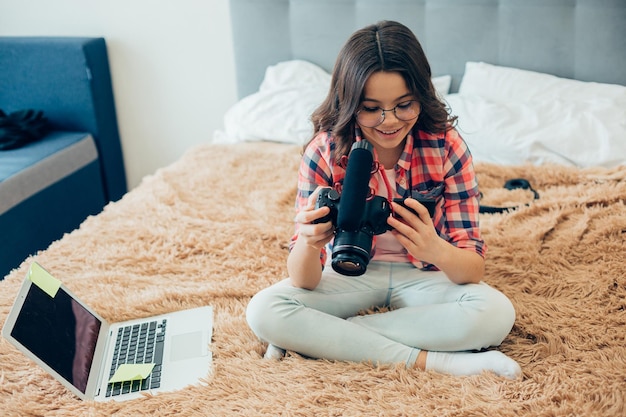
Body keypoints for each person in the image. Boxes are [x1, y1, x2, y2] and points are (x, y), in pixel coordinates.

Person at [246, 20, 521, 379]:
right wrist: (310, 243)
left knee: (496, 314)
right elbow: (304, 281)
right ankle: (441, 362)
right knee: (264, 311)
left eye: (404, 105)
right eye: (371, 108)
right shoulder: (324, 152)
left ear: (422, 96)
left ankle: (318, 337)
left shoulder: (446, 146)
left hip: (425, 274)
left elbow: (472, 267)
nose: (388, 121)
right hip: (346, 273)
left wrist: (435, 249)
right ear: (348, 103)